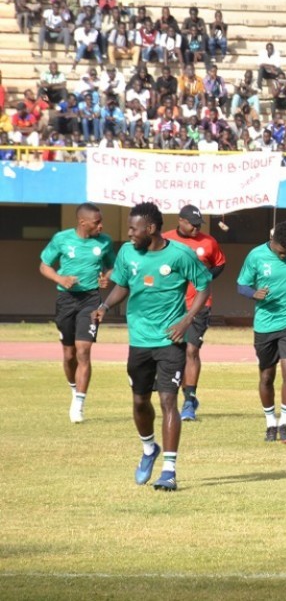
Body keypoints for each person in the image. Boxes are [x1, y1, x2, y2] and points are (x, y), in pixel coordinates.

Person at [91, 202, 211, 491]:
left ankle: (169, 470)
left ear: (151, 228)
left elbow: (204, 285)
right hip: (139, 342)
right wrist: (105, 305)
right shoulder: (127, 253)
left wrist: (186, 320)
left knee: (169, 401)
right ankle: (148, 449)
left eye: (134, 229)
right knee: (140, 402)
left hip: (171, 341)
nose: (130, 233)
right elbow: (122, 284)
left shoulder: (180, 255)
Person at [237, 221, 286, 444]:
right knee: (267, 376)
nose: (284, 255)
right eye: (281, 251)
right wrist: (253, 294)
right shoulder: (256, 256)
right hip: (265, 324)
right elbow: (241, 285)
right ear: (273, 241)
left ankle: (285, 423)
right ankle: (270, 423)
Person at [39, 203, 115, 423]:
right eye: (96, 222)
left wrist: (107, 277)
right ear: (83, 222)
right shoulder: (62, 239)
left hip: (91, 300)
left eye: (101, 221)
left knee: (84, 350)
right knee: (69, 354)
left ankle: (79, 403)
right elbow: (44, 265)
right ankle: (74, 388)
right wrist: (60, 278)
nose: (101, 226)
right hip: (66, 300)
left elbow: (111, 267)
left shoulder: (105, 242)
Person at [162, 204, 226, 422]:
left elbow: (220, 264)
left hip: (199, 305)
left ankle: (189, 401)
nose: (197, 229)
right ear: (181, 221)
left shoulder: (209, 242)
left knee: (191, 350)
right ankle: (177, 392)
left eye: (199, 225)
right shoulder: (164, 240)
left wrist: (205, 278)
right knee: (172, 353)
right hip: (170, 306)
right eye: (193, 225)